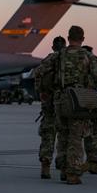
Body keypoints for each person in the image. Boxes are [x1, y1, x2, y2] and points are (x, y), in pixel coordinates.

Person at [41, 26, 97, 184]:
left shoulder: (57, 56)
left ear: (68, 38)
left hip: (60, 99)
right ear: (83, 39)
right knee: (76, 137)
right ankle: (73, 173)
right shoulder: (89, 56)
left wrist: (46, 90)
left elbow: (40, 71)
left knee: (63, 135)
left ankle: (63, 169)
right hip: (79, 101)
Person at [33, 36, 66, 179]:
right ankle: (65, 167)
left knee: (48, 134)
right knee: (67, 135)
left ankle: (45, 167)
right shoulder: (69, 59)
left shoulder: (49, 59)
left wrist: (41, 93)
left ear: (53, 47)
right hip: (67, 103)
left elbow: (37, 74)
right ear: (65, 46)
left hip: (50, 102)